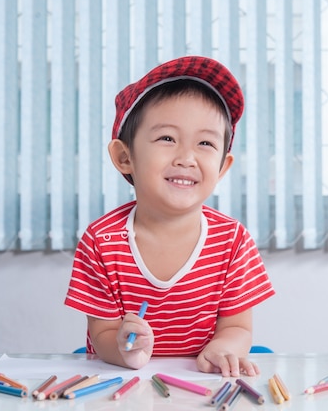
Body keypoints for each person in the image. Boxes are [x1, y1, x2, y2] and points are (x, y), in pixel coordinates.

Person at [64, 56, 275, 377]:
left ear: (223, 167)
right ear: (124, 157)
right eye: (167, 138)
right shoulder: (101, 240)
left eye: (205, 143)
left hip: (202, 385)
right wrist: (124, 350)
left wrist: (223, 349)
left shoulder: (233, 240)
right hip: (124, 384)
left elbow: (237, 326)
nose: (186, 158)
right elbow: (102, 333)